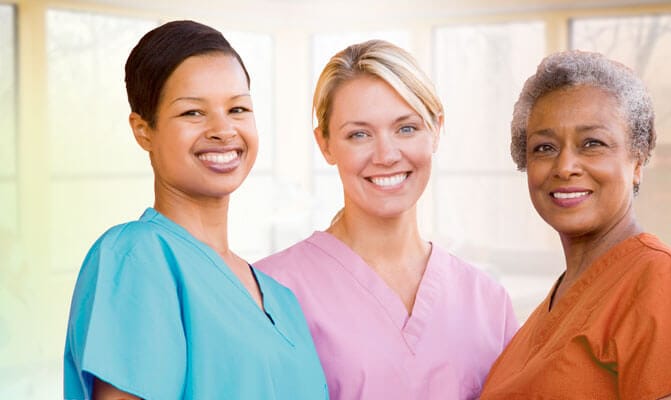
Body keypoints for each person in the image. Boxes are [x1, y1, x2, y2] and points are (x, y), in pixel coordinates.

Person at [63, 20, 327, 399]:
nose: (223, 130)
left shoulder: (280, 297)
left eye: (238, 108)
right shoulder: (138, 256)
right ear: (143, 130)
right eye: (193, 113)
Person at [254, 39, 518, 400]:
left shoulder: (487, 302)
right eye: (359, 134)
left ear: (436, 130)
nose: (386, 155)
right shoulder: (269, 291)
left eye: (406, 128)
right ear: (325, 144)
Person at [479, 50, 671, 399]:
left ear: (638, 161)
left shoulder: (662, 282)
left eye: (593, 143)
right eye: (544, 147)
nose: (565, 165)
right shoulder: (547, 313)